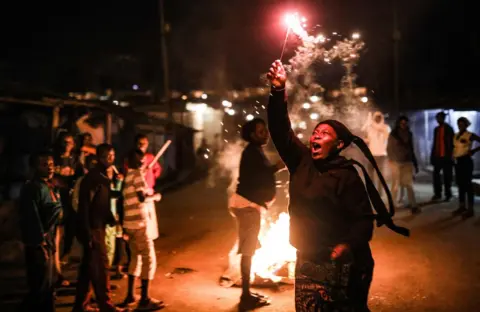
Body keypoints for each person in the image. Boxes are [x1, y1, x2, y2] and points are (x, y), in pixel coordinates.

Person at [267, 60, 409, 312]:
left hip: (344, 262)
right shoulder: (301, 162)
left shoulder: (348, 175)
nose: (315, 136)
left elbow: (363, 220)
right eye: (315, 132)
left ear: (339, 145)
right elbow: (280, 130)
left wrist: (347, 245)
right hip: (308, 257)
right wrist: (278, 91)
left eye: (324, 134)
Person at [228, 118, 284, 309]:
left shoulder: (255, 151)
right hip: (247, 206)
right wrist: (280, 165)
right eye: (261, 132)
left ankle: (247, 292)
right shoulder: (252, 152)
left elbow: (263, 173)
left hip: (249, 206)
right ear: (252, 135)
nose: (265, 134)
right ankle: (245, 296)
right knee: (248, 251)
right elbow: (264, 173)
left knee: (250, 249)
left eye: (265, 130)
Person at [73, 144, 125, 312]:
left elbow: (104, 200)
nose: (110, 159)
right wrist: (87, 233)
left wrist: (110, 217)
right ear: (99, 157)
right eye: (107, 156)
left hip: (98, 226)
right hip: (93, 229)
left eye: (112, 155)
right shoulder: (93, 178)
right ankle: (106, 305)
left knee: (88, 268)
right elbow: (85, 207)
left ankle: (81, 306)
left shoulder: (103, 176)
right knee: (101, 267)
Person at [120, 149, 164, 310]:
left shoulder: (128, 176)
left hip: (129, 225)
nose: (143, 163)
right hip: (139, 224)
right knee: (148, 259)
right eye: (142, 161)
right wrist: (155, 197)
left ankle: (130, 295)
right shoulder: (137, 175)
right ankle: (144, 299)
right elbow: (141, 198)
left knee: (135, 259)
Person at [18, 151, 62, 312]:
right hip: (38, 244)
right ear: (35, 167)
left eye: (51, 164)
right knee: (39, 288)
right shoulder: (32, 188)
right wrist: (40, 243)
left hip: (48, 241)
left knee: (48, 285)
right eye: (44, 164)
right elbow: (31, 217)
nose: (49, 168)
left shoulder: (50, 185)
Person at [53, 132, 84, 287]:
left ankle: (62, 266)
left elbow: (79, 179)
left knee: (70, 236)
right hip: (56, 203)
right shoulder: (54, 160)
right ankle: (57, 274)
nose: (67, 145)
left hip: (70, 203)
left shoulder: (75, 161)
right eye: (65, 142)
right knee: (56, 237)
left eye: (70, 142)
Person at [387, 116, 420, 214]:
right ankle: (392, 205)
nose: (404, 125)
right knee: (395, 185)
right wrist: (391, 160)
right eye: (402, 123)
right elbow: (389, 148)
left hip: (407, 162)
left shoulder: (409, 134)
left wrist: (415, 163)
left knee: (409, 185)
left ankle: (413, 205)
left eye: (405, 123)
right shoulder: (393, 134)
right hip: (396, 163)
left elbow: (411, 149)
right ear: (398, 123)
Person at [451, 117, 480, 219]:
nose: (460, 126)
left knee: (468, 185)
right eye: (459, 124)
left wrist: (474, 151)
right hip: (458, 162)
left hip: (466, 161)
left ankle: (471, 209)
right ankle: (462, 206)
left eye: (462, 124)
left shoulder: (469, 135)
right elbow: (455, 147)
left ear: (466, 125)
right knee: (460, 185)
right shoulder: (455, 135)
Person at [363, 111, 390, 197]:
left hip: (381, 155)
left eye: (379, 117)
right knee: (370, 175)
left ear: (382, 118)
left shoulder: (386, 127)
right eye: (376, 117)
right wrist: (368, 120)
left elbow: (381, 131)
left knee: (380, 175)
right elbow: (364, 131)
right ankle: (372, 192)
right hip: (371, 155)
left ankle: (380, 192)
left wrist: (371, 122)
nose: (377, 119)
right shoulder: (370, 128)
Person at [430, 112, 454, 202]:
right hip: (437, 157)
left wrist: (452, 155)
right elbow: (435, 143)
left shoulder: (449, 129)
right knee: (436, 176)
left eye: (439, 118)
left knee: (447, 177)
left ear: (443, 118)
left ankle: (448, 194)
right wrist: (432, 156)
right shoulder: (436, 129)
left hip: (446, 157)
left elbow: (452, 144)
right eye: (437, 118)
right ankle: (437, 194)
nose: (438, 120)